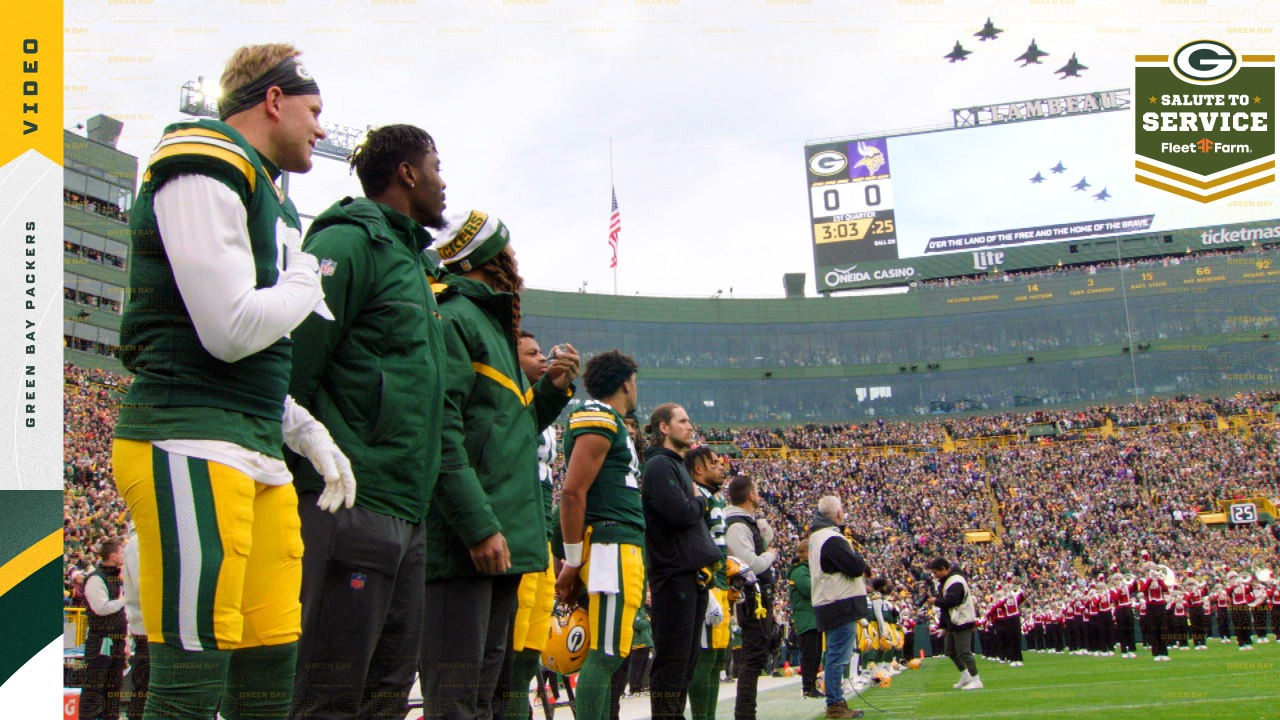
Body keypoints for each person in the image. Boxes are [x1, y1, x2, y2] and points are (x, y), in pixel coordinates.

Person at [113, 43, 354, 720]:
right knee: (191, 683)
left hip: (252, 443)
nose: (319, 128)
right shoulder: (203, 154)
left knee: (268, 667)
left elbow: (242, 346)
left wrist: (302, 428)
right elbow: (228, 328)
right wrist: (307, 280)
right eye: (313, 111)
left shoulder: (270, 197)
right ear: (273, 100)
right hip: (186, 436)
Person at [285, 123, 447, 719]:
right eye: (436, 165)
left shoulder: (414, 264)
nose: (442, 181)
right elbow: (294, 366)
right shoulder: (350, 244)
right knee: (330, 694)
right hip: (349, 500)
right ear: (407, 172)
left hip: (407, 507)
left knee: (387, 692)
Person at [421, 211, 579, 720]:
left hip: (504, 540)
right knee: (456, 698)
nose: (517, 267)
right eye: (509, 256)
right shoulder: (454, 317)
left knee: (487, 695)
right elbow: (442, 434)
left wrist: (553, 390)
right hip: (470, 542)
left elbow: (511, 431)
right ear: (489, 262)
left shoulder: (490, 327)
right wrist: (477, 525)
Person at [555, 351, 644, 720]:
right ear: (626, 382)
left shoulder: (612, 421)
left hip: (618, 544)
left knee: (611, 650)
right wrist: (573, 561)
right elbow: (572, 492)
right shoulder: (599, 416)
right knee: (606, 653)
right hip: (610, 545)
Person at [500, 331, 569, 720]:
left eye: (543, 351)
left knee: (534, 636)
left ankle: (518, 707)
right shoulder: (509, 401)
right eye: (532, 353)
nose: (542, 357)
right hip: (518, 530)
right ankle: (505, 709)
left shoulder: (544, 414)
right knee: (512, 634)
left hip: (540, 534)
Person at [641, 404, 721, 720]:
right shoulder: (660, 466)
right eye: (683, 421)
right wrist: (699, 501)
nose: (690, 426)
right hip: (673, 575)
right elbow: (679, 513)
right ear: (663, 427)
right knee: (673, 660)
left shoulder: (673, 465)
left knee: (685, 661)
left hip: (685, 574)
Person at [808, 495, 869, 719]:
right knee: (838, 655)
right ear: (838, 514)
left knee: (836, 654)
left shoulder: (818, 536)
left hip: (829, 600)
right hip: (839, 602)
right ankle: (834, 704)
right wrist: (858, 557)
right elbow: (854, 567)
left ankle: (836, 701)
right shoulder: (831, 538)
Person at [725, 475, 779, 720]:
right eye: (756, 490)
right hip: (749, 600)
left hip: (756, 598)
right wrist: (770, 556)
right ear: (750, 495)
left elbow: (767, 538)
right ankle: (745, 713)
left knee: (757, 655)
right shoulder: (737, 525)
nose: (759, 494)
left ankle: (747, 711)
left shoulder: (747, 522)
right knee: (753, 656)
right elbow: (753, 564)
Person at [686, 446, 733, 720]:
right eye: (714, 463)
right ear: (698, 469)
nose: (721, 467)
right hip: (706, 583)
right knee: (704, 657)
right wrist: (706, 585)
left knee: (716, 658)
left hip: (721, 583)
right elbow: (693, 542)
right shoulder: (696, 496)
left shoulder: (714, 498)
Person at [82, 540, 127, 720]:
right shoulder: (96, 578)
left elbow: (122, 613)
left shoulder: (117, 580)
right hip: (100, 641)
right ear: (113, 556)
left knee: (113, 689)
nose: (124, 556)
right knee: (94, 688)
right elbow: (100, 607)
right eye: (122, 552)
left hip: (117, 641)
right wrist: (124, 600)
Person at [927, 557, 982, 691]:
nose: (935, 576)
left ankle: (976, 679)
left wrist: (935, 601)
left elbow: (951, 602)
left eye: (936, 572)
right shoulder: (946, 582)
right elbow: (946, 607)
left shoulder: (955, 582)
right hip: (954, 621)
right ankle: (966, 675)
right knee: (950, 651)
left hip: (962, 620)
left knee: (964, 651)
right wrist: (943, 626)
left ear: (944, 569)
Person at [120, 533, 150, 720]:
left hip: (161, 630)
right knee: (146, 692)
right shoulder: (138, 542)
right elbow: (144, 586)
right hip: (150, 631)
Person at [787, 543, 822, 699]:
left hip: (813, 618)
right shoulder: (800, 571)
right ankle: (808, 687)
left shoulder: (807, 569)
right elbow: (809, 590)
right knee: (809, 654)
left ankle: (812, 685)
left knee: (816, 654)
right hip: (807, 618)